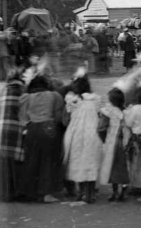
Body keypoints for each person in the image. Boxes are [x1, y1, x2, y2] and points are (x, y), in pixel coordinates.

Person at [18, 72, 65, 203]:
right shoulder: (55, 96)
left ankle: (31, 192)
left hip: (32, 129)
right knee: (49, 160)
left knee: (32, 160)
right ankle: (47, 194)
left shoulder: (26, 98)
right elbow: (58, 117)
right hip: (49, 127)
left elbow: (23, 119)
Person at [62, 70, 103, 203]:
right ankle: (91, 194)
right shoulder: (95, 99)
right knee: (90, 161)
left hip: (76, 135)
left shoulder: (71, 100)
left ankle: (81, 192)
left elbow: (66, 119)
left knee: (77, 161)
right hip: (92, 134)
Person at [98, 87, 130, 202]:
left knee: (113, 167)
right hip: (125, 141)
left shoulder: (108, 112)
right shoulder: (125, 112)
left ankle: (115, 192)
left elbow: (101, 128)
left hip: (112, 142)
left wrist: (104, 140)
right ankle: (124, 191)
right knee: (124, 167)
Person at [0, 69, 25, 202]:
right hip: (15, 127)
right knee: (16, 163)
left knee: (4, 162)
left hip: (2, 127)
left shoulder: (3, 89)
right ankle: (15, 192)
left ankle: (4, 193)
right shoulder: (22, 89)